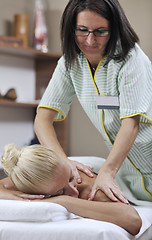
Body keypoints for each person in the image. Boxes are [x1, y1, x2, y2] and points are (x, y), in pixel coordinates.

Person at [34, 0, 152, 203]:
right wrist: (64, 162)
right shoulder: (70, 63)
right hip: (127, 172)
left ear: (114, 29)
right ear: (72, 28)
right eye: (82, 30)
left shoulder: (130, 59)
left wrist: (107, 173)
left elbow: (131, 124)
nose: (90, 40)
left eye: (100, 31)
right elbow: (42, 119)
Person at [0, 143, 141, 236]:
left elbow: (133, 221)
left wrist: (62, 199)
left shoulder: (92, 189)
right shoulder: (30, 176)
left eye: (70, 179)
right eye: (60, 191)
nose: (74, 192)